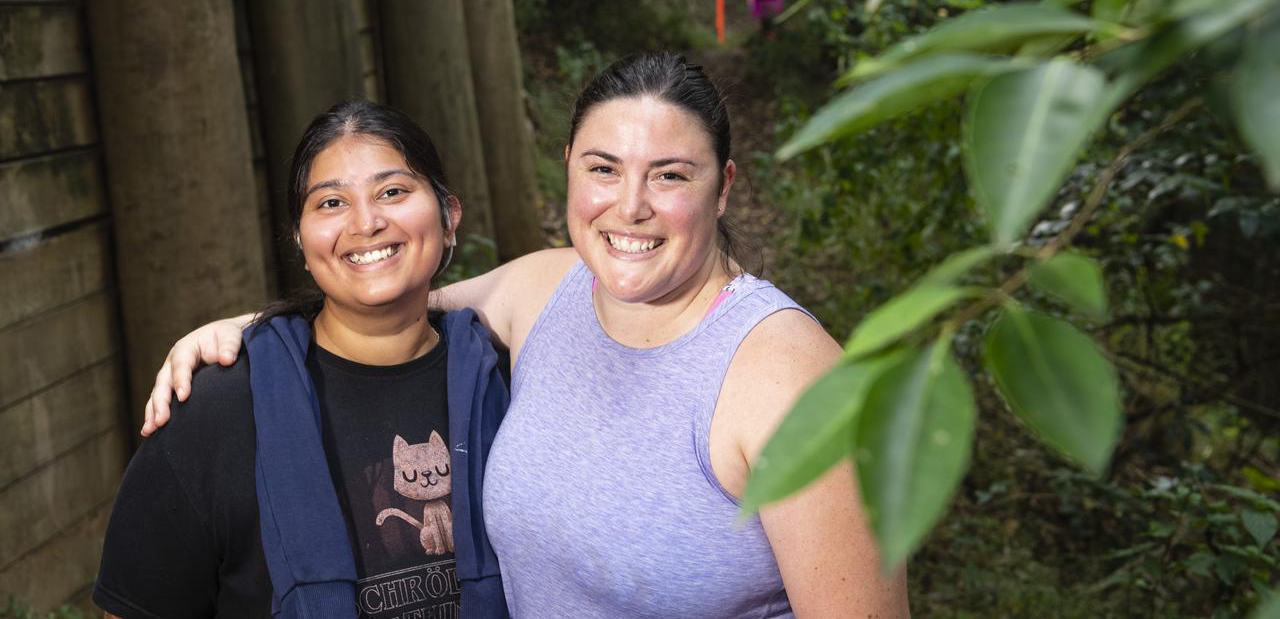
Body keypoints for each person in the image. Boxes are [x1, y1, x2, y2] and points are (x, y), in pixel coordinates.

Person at [144, 54, 911, 618]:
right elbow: (387, 290)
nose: (631, 205)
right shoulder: (547, 291)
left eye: (671, 175)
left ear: (725, 186)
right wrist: (243, 332)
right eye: (605, 169)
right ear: (570, 171)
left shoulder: (789, 377)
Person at [94, 101, 510, 619]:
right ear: (299, 237)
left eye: (393, 192)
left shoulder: (504, 381)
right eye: (331, 203)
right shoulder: (218, 408)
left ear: (449, 216)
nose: (366, 223)